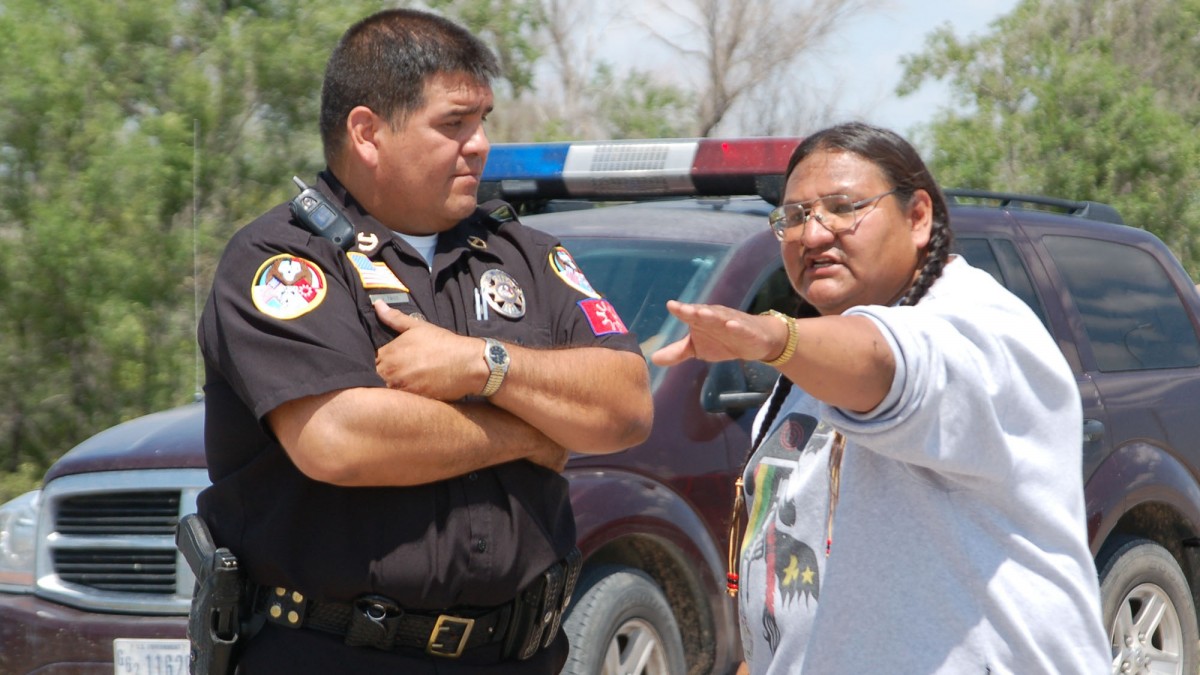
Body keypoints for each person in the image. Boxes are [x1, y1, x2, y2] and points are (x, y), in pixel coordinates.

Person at [194, 8, 652, 674]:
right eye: (453, 124)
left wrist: (482, 364)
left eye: (483, 120)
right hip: (336, 652)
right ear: (368, 132)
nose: (480, 144)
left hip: (518, 653)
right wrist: (529, 432)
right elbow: (341, 438)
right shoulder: (282, 262)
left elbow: (628, 404)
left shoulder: (525, 255)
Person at [652, 122, 1110, 673]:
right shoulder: (804, 372)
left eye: (844, 207)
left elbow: (886, 363)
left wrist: (774, 338)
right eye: (794, 216)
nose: (813, 234)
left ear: (918, 217)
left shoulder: (979, 329)